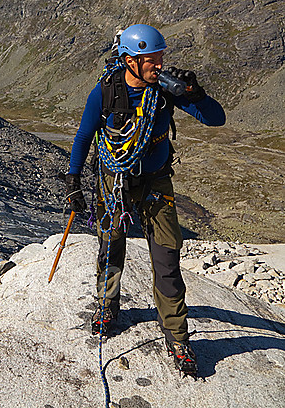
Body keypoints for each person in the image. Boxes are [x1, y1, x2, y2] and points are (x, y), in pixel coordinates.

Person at [64, 23, 225, 378]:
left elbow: (216, 120)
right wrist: (73, 180)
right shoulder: (105, 93)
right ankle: (107, 306)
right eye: (152, 60)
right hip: (114, 179)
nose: (159, 65)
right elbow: (84, 136)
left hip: (154, 180)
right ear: (129, 61)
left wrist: (196, 94)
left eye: (160, 58)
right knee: (111, 244)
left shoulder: (166, 92)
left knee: (167, 256)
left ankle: (178, 336)